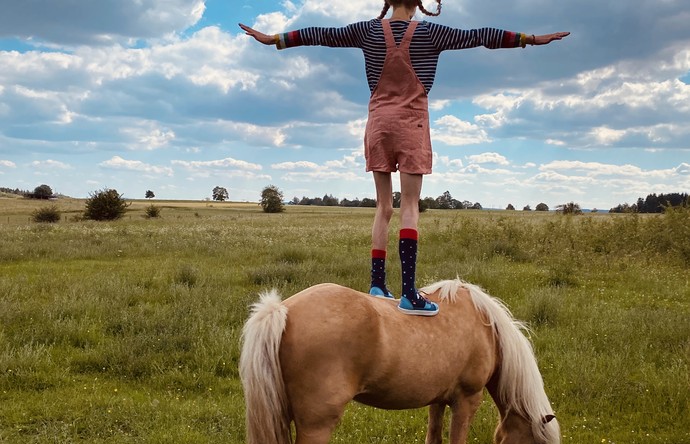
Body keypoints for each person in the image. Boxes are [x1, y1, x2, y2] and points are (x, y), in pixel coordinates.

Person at [240, 1, 569, 316]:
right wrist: (528, 40)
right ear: (418, 3)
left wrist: (276, 40)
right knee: (409, 206)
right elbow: (480, 35)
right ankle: (410, 294)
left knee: (384, 207)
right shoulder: (431, 33)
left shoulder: (368, 31)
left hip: (378, 127)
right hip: (412, 126)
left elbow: (322, 34)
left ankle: (377, 285)